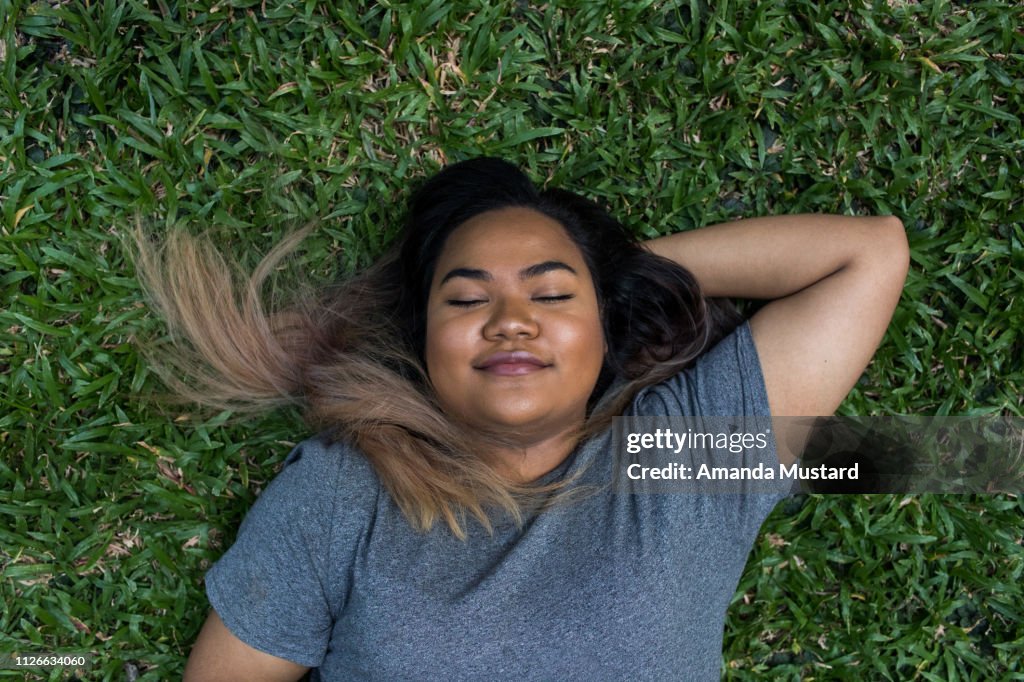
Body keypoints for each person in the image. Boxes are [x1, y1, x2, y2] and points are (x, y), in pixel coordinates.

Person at [133, 158, 909, 680]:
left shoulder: (682, 463)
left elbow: (865, 255)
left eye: (551, 294)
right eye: (467, 299)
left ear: (606, 326)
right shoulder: (345, 490)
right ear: (423, 340)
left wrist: (617, 274)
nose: (510, 320)